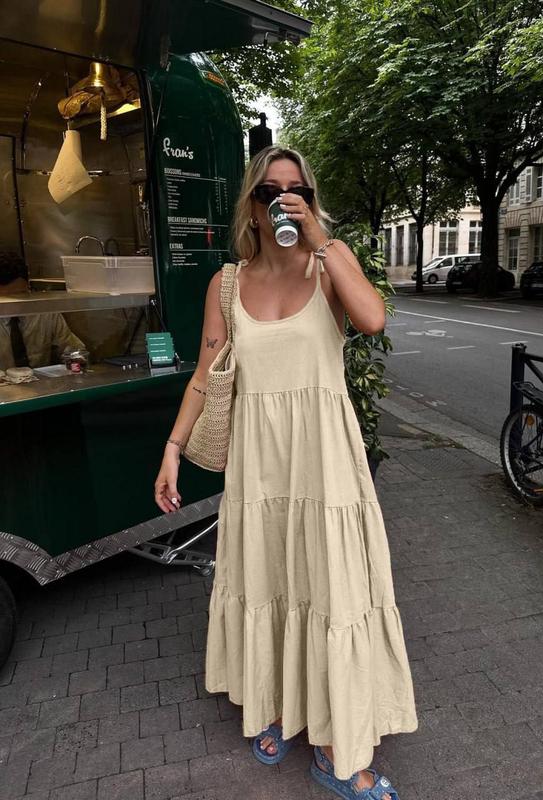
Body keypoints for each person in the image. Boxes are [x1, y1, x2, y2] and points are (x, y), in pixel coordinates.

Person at [154, 147, 417, 799]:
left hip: (323, 461)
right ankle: (275, 705)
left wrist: (322, 240)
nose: (283, 201)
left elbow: (373, 319)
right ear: (251, 205)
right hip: (259, 467)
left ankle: (335, 748)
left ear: (311, 199)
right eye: (269, 191)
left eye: (296, 190)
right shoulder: (227, 284)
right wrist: (172, 447)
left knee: (330, 590)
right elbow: (205, 373)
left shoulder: (330, 262)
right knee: (267, 578)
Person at [0, 253, 86, 369]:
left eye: (19, 295)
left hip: (40, 379)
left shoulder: (44, 312)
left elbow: (71, 349)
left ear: (28, 287)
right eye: (3, 299)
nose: (12, 305)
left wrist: (76, 360)